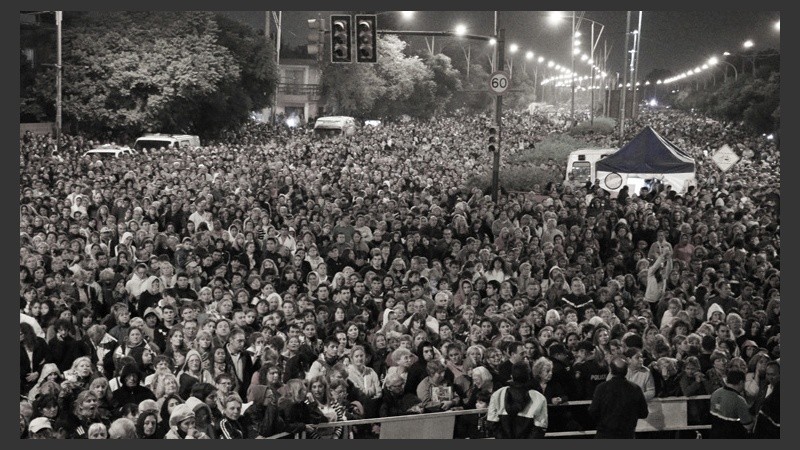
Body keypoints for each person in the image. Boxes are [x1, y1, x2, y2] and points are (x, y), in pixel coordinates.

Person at [588, 356, 649, 438]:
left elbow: (593, 410)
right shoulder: (635, 388)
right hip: (627, 435)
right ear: (626, 370)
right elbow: (643, 413)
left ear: (611, 370)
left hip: (605, 434)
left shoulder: (601, 388)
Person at [486, 361, 548, 438]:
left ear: (511, 376)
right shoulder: (539, 398)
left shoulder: (497, 394)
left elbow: (492, 424)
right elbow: (540, 428)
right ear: (529, 376)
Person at [708, 369, 753, 439]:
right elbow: (748, 426)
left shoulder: (716, 393)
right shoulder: (739, 400)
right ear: (741, 382)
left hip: (714, 435)